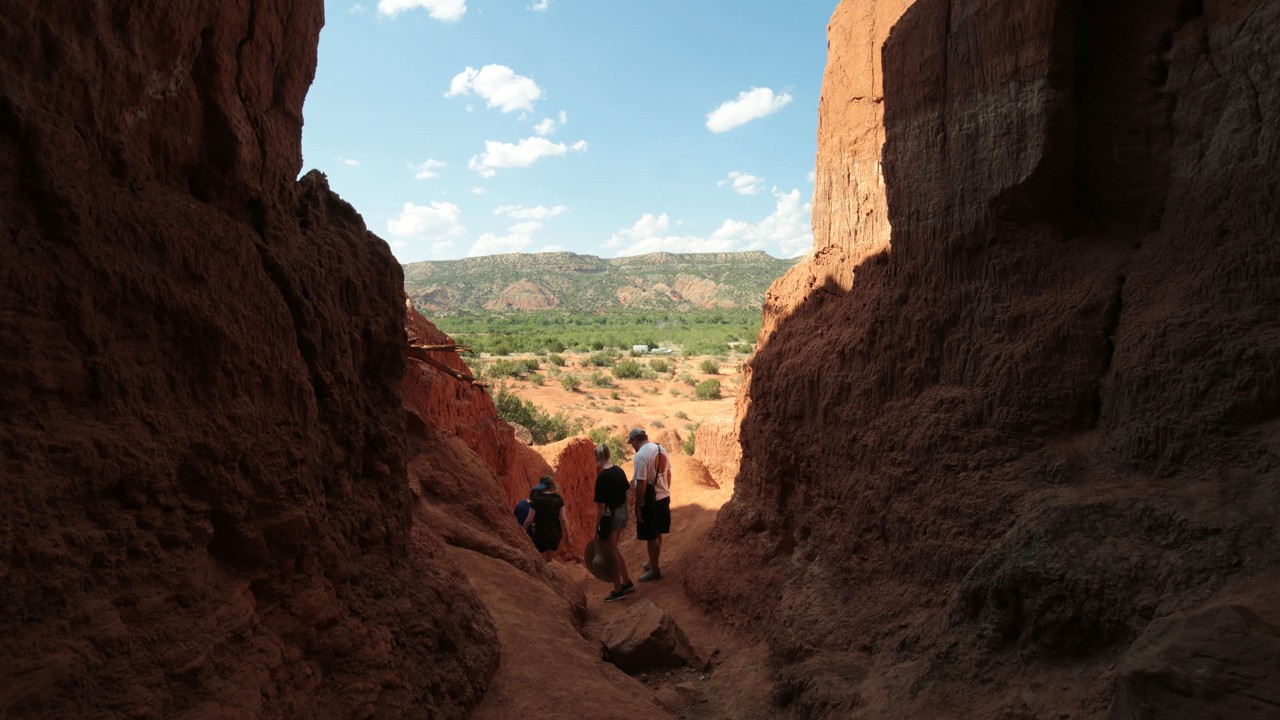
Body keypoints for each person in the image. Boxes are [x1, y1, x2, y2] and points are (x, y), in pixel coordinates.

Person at [628, 428, 671, 581]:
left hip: (651, 500)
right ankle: (653, 562)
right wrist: (665, 490)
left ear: (635, 439)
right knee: (658, 531)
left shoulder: (640, 455)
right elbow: (669, 473)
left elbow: (641, 483)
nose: (632, 447)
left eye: (631, 443)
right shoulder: (661, 449)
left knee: (651, 536)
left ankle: (654, 571)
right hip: (664, 496)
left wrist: (638, 506)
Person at [594, 443, 634, 602]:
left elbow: (600, 507)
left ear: (597, 457)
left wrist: (595, 528)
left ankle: (618, 590)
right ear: (609, 454)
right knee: (614, 550)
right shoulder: (619, 470)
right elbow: (626, 490)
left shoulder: (602, 476)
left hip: (611, 517)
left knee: (611, 553)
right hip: (622, 513)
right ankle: (626, 582)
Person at [522, 475, 571, 561]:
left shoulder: (536, 499)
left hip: (541, 533)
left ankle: (543, 571)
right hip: (555, 533)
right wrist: (568, 536)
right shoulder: (559, 499)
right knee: (549, 558)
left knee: (541, 557)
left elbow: (529, 519)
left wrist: (523, 530)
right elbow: (563, 519)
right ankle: (548, 566)